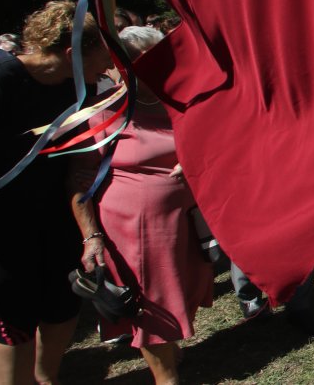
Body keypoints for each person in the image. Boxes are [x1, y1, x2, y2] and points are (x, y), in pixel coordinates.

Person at [69, 26, 214, 384]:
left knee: (185, 289)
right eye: (124, 62)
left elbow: (218, 142)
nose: (125, 68)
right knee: (153, 305)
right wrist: (91, 236)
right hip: (136, 228)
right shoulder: (106, 113)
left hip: (186, 222)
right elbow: (79, 182)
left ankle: (169, 355)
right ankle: (166, 378)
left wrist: (198, 161)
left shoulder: (182, 98)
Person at [0, 0, 111, 385]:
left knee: (62, 302)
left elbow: (79, 159)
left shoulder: (81, 87)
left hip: (55, 211)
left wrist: (87, 226)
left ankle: (46, 378)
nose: (108, 67)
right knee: (14, 313)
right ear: (72, 54)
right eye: (102, 58)